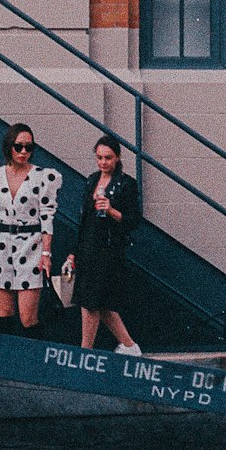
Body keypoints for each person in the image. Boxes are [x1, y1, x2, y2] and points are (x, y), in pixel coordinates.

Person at [0, 123, 61, 336]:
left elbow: (47, 216)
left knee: (28, 318)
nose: (24, 152)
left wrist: (46, 253)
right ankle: (6, 365)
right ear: (9, 147)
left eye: (29, 147)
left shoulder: (43, 177)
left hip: (31, 244)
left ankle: (34, 364)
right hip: (1, 245)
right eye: (19, 147)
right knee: (4, 313)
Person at [63, 133, 143, 356]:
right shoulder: (91, 180)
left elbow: (133, 220)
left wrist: (110, 210)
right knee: (102, 304)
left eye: (108, 157)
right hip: (88, 246)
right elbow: (84, 219)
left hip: (109, 250)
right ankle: (129, 346)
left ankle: (85, 351)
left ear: (117, 157)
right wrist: (73, 252)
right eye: (99, 157)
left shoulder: (126, 184)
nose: (103, 162)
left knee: (91, 302)